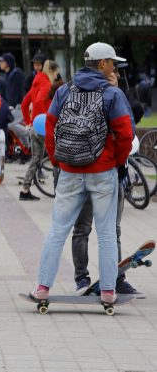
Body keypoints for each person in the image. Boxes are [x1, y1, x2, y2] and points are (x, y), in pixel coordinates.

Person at [31, 42, 134, 306]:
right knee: (107, 232)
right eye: (112, 62)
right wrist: (116, 161)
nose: (115, 67)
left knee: (57, 230)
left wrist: (57, 160)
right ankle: (109, 291)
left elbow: (50, 126)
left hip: (69, 172)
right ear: (102, 64)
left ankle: (43, 287)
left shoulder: (64, 90)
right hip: (103, 172)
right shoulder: (112, 95)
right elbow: (125, 133)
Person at [71, 59, 141, 298]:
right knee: (83, 228)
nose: (115, 72)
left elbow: (127, 130)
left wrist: (118, 92)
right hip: (85, 171)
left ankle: (117, 278)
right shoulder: (76, 92)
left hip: (112, 172)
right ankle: (82, 278)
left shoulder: (115, 94)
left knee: (112, 229)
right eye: (113, 66)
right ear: (103, 65)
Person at [19, 59, 56, 201]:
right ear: (51, 71)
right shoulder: (46, 84)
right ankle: (60, 190)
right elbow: (40, 102)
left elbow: (24, 104)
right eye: (56, 74)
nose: (56, 77)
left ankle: (25, 189)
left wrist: (29, 122)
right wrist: (46, 122)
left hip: (34, 127)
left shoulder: (36, 83)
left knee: (36, 159)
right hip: (42, 127)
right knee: (57, 156)